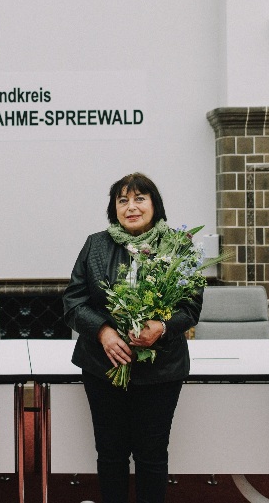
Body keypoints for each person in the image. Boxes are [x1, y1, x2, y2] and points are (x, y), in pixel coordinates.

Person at [62, 172, 202, 503]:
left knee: (152, 455)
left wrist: (162, 325)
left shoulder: (178, 246)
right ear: (114, 208)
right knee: (110, 454)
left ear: (155, 204)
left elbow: (189, 306)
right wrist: (103, 330)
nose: (131, 206)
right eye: (122, 200)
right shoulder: (95, 245)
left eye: (140, 198)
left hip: (161, 371)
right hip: (104, 366)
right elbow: (74, 301)